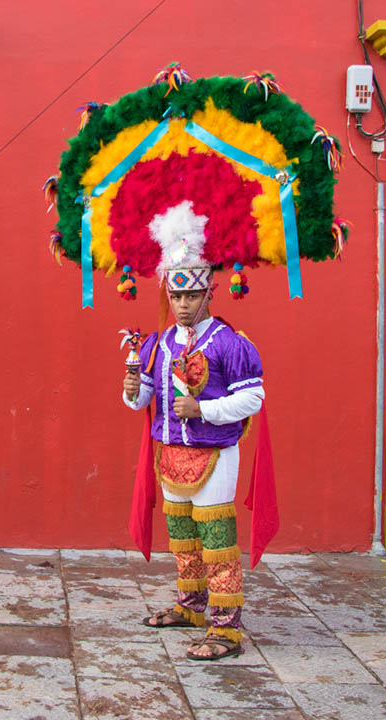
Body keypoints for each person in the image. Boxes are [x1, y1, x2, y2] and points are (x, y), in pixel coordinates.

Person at [122, 266, 263, 661]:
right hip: (169, 455)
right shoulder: (160, 343)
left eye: (192, 296)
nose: (183, 305)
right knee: (182, 537)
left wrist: (203, 408)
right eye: (177, 297)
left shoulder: (228, 343)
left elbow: (253, 399)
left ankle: (225, 627)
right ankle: (192, 605)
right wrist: (131, 390)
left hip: (214, 452)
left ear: (209, 295)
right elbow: (141, 401)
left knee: (217, 543)